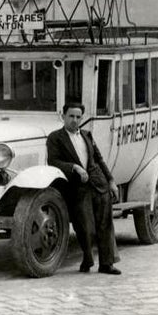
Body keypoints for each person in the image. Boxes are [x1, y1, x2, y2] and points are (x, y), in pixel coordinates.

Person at [47, 101, 120, 275]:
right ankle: (88, 258)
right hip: (77, 188)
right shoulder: (55, 138)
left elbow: (99, 160)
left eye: (78, 117)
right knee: (84, 226)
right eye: (71, 116)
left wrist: (111, 181)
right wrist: (74, 167)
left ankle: (106, 264)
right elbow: (53, 161)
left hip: (99, 184)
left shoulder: (87, 135)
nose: (74, 120)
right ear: (63, 116)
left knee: (105, 224)